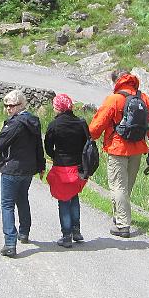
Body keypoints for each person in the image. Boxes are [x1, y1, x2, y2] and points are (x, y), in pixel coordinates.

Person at [88, 69, 149, 238]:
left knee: (117, 186)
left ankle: (122, 225)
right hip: (138, 148)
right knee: (126, 186)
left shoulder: (114, 99)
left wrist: (91, 138)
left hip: (117, 148)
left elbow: (95, 126)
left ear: (116, 81)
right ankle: (120, 216)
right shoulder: (144, 99)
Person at [0, 89, 45, 257]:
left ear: (21, 105)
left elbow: (2, 141)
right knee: (22, 199)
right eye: (6, 106)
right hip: (27, 170)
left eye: (12, 106)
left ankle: (10, 243)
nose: (8, 109)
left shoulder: (15, 123)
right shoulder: (33, 121)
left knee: (7, 205)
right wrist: (41, 165)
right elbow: (38, 145)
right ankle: (24, 232)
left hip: (12, 169)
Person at [43, 93, 90, 248]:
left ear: (58, 107)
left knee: (64, 200)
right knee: (74, 197)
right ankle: (76, 231)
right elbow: (87, 145)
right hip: (78, 168)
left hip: (62, 167)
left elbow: (48, 147)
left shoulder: (54, 125)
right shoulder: (81, 123)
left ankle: (66, 235)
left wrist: (55, 156)